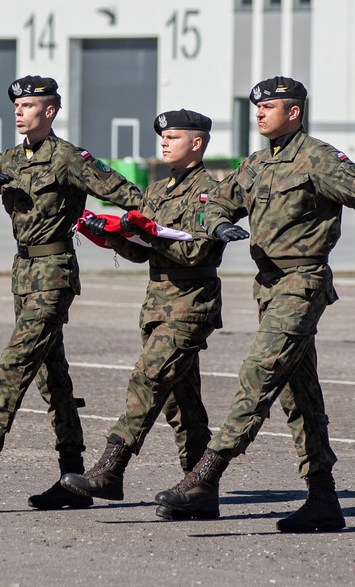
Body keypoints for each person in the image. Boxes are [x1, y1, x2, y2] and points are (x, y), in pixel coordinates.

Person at [153, 76, 355, 532]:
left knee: (259, 374)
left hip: (301, 283)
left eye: (269, 107)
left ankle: (205, 477)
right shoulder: (253, 164)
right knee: (300, 396)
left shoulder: (319, 159)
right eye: (257, 107)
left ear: (293, 112)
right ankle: (323, 500)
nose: (259, 114)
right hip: (268, 288)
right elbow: (216, 203)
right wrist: (218, 226)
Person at [0, 75, 143, 509]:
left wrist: (150, 227)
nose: (19, 112)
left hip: (54, 273)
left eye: (28, 106)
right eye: (16, 106)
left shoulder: (68, 158)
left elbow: (127, 193)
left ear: (49, 111)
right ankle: (72, 478)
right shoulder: (10, 157)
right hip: (22, 274)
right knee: (52, 378)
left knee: (15, 363)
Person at [60, 110, 225, 519]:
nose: (165, 142)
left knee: (148, 378)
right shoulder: (156, 191)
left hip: (191, 303)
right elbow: (141, 250)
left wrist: (152, 235)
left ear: (198, 143)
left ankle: (111, 469)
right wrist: (110, 235)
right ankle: (199, 489)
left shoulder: (213, 193)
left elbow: (197, 250)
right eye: (163, 136)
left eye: (174, 136)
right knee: (180, 402)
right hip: (157, 305)